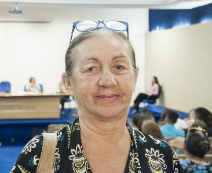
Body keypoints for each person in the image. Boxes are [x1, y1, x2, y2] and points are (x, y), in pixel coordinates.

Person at [11, 21, 182, 173]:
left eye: (119, 66)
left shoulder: (163, 157)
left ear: (135, 77)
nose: (107, 81)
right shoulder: (40, 154)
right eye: (91, 68)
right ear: (68, 83)